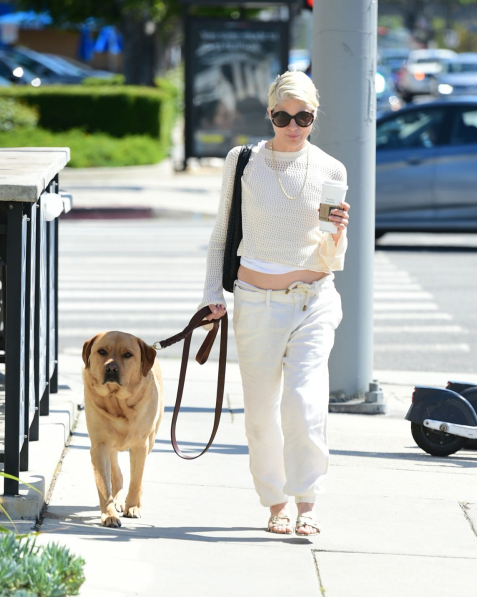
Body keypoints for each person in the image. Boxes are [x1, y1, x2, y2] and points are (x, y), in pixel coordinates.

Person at [198, 71, 350, 536]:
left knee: (304, 402)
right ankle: (275, 503)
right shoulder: (242, 161)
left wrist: (338, 233)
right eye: (283, 115)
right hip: (256, 301)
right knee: (262, 411)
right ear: (269, 114)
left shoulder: (331, 169)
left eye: (303, 115)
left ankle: (307, 503)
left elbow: (330, 253)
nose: (293, 124)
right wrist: (211, 295)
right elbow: (223, 231)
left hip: (313, 301)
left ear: (314, 115)